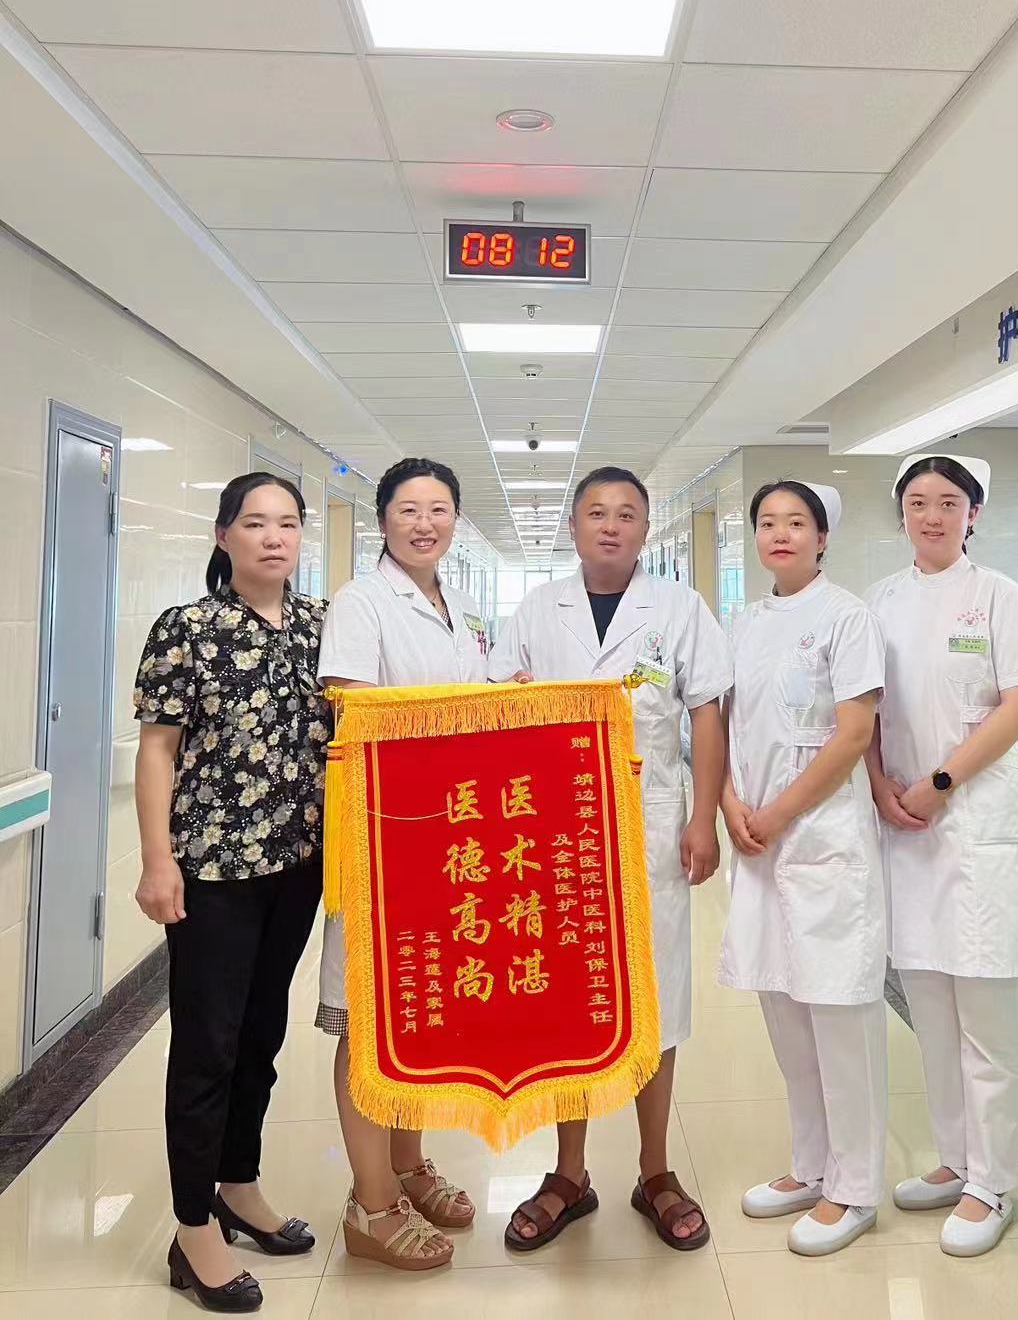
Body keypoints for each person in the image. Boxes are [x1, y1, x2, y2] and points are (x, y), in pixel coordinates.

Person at [489, 465, 732, 1253]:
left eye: (627, 513)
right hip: (558, 830)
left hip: (652, 820)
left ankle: (655, 1171)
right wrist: (515, 694)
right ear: (573, 525)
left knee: (655, 995)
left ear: (645, 529)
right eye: (596, 511)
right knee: (570, 998)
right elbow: (496, 705)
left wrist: (703, 817)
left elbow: (706, 714)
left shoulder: (680, 608)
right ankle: (569, 1173)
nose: (611, 525)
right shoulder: (538, 607)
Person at [133, 473, 330, 1313]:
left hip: (298, 864)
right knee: (207, 1044)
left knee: (261, 1033)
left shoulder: (322, 625)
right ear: (224, 536)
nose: (273, 537)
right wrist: (157, 860)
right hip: (212, 870)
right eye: (255, 523)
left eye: (287, 522)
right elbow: (157, 750)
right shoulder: (187, 628)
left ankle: (238, 1185)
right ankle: (192, 1228)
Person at [865, 453, 1018, 1257]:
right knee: (931, 1010)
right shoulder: (879, 600)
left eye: (949, 502)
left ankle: (994, 1181)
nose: (932, 515)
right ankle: (955, 1160)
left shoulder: (1001, 597)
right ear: (902, 513)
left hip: (977, 826)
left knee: (987, 1019)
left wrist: (940, 781)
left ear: (973, 513)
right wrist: (881, 785)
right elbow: (864, 709)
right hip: (907, 827)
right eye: (918, 501)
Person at [317, 457, 489, 1273]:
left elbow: (476, 704)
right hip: (383, 833)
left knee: (417, 1007)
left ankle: (410, 1165)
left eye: (440, 508)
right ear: (382, 518)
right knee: (368, 1019)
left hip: (445, 838)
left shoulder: (461, 608)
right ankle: (372, 1201)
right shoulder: (361, 600)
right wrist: (463, 715)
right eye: (409, 509)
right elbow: (355, 706)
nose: (425, 523)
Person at [719, 481, 888, 1258]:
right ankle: (811, 1165)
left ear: (823, 537)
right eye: (767, 522)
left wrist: (779, 812)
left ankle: (855, 1187)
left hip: (820, 836)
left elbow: (853, 734)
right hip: (757, 837)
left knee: (839, 1016)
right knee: (785, 1010)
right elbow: (722, 724)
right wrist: (729, 804)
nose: (780, 533)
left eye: (796, 522)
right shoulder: (745, 621)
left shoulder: (847, 617)